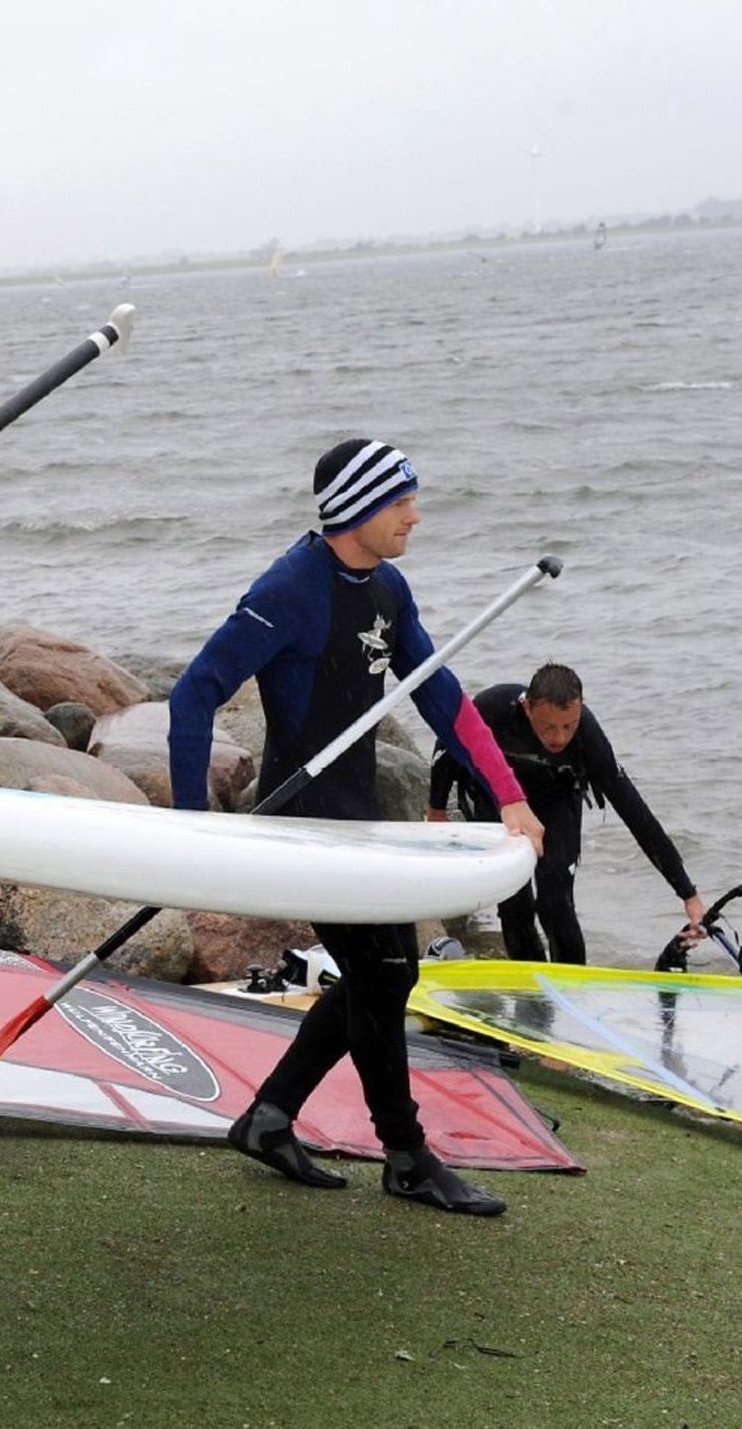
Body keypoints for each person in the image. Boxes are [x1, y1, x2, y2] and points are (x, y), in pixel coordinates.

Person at [167, 438, 546, 1218]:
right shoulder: (290, 589)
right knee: (383, 974)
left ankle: (270, 1118)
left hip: (359, 818)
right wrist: (189, 829)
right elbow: (194, 693)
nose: (414, 513)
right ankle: (405, 1154)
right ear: (360, 507)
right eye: (400, 499)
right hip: (303, 821)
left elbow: (438, 693)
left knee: (388, 972)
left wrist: (508, 796)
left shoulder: (387, 587)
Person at [427, 664, 704, 965]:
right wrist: (437, 811)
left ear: (580, 709)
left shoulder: (587, 734)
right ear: (527, 707)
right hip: (498, 800)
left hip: (556, 799)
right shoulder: (493, 708)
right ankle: (530, 988)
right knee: (513, 904)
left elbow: (634, 812)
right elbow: (447, 746)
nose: (559, 738)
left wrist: (687, 893)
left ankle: (572, 988)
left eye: (568, 726)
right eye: (548, 726)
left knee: (556, 901)